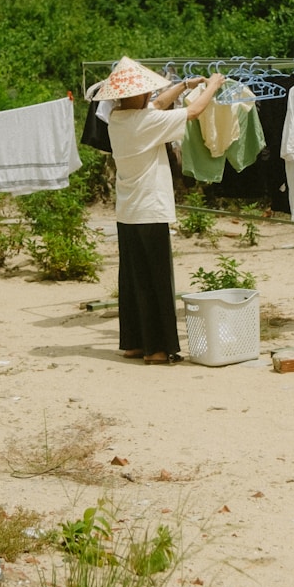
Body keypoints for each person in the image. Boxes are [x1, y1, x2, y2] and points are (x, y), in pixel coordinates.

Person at [95, 57, 226, 364]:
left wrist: (184, 85)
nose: (150, 96)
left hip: (128, 212)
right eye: (146, 92)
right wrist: (214, 86)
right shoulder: (146, 122)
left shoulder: (118, 118)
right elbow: (193, 112)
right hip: (150, 210)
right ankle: (157, 348)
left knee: (133, 279)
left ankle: (135, 343)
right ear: (138, 95)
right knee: (156, 280)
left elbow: (157, 106)